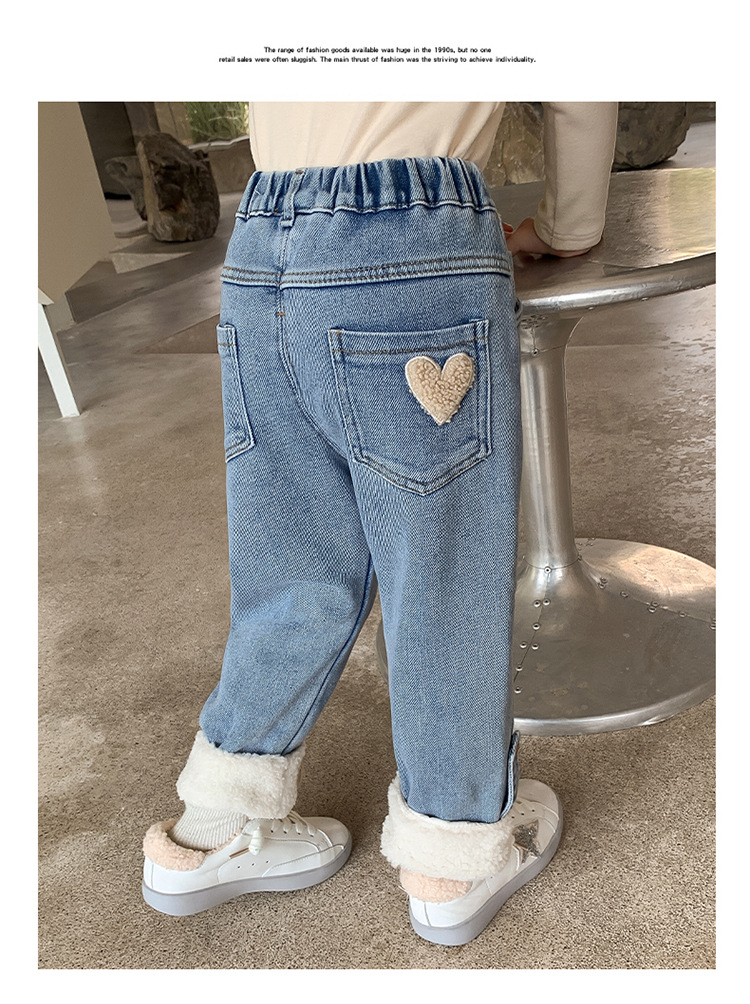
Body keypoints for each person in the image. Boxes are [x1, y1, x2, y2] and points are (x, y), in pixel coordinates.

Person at [142, 102, 618, 946]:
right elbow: (580, 88)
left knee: (293, 562)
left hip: (262, 237)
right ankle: (452, 855)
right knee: (440, 567)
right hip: (413, 234)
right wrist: (568, 226)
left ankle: (213, 825)